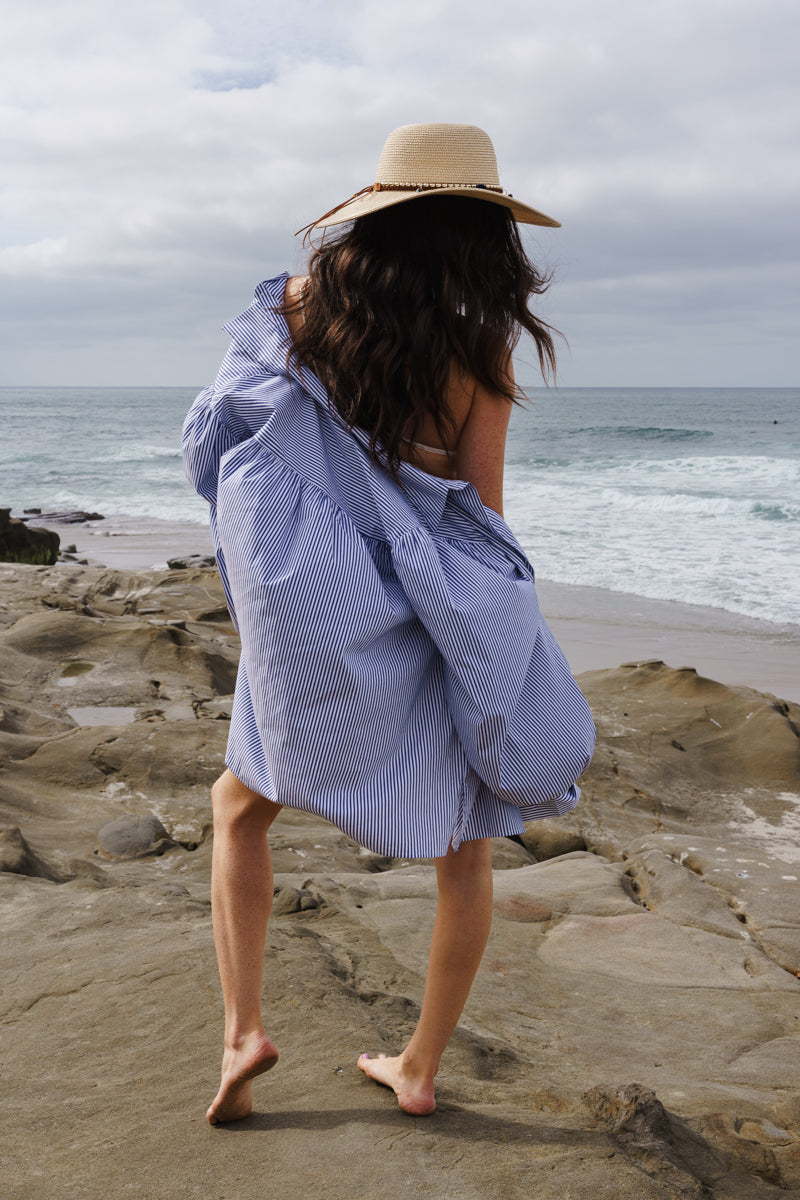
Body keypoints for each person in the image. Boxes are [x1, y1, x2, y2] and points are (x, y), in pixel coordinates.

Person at [182, 122, 595, 1124]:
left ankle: (243, 1030)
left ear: (376, 212)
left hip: (307, 608)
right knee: (466, 847)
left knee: (240, 806)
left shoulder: (292, 311)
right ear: (483, 229)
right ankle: (415, 1068)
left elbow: (228, 437)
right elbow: (479, 518)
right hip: (419, 617)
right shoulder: (477, 347)